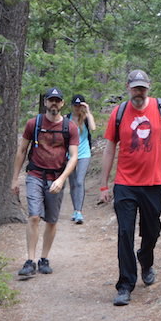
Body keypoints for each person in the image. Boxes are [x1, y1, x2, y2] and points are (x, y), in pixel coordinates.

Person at [99, 70, 161, 306]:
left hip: (154, 183)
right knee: (125, 233)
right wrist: (104, 184)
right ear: (128, 87)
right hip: (125, 184)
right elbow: (109, 149)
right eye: (135, 87)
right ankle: (125, 285)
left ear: (149, 87)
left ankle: (145, 260)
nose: (139, 91)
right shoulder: (119, 112)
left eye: (142, 87)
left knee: (152, 230)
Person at [12, 87, 80, 277]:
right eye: (51, 100)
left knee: (51, 220)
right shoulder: (33, 124)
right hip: (35, 174)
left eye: (57, 101)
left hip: (56, 177)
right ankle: (29, 260)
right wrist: (14, 178)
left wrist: (62, 178)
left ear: (62, 104)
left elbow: (74, 157)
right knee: (34, 216)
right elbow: (21, 151)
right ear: (45, 102)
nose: (54, 104)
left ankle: (44, 258)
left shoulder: (70, 127)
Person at [66, 94, 96, 224]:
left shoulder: (85, 118)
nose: (77, 108)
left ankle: (79, 211)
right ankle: (75, 209)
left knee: (79, 181)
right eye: (75, 105)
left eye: (80, 105)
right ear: (72, 106)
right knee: (72, 183)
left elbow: (93, 128)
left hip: (84, 153)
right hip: (69, 154)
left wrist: (88, 111)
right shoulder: (66, 118)